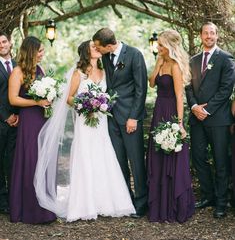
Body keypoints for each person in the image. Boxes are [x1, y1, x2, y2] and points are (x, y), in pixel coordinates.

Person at [34, 40, 135, 221]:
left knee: (103, 155)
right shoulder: (78, 74)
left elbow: (109, 95)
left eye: (97, 47)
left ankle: (106, 202)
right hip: (84, 120)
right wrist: (84, 104)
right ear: (86, 52)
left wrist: (103, 103)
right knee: (86, 156)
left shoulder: (105, 72)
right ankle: (85, 204)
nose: (97, 49)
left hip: (101, 121)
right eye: (93, 47)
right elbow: (69, 98)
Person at [93, 28, 148, 217]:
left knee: (136, 161)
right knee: (118, 161)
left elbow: (141, 89)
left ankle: (142, 203)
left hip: (130, 118)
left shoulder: (134, 55)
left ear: (109, 45)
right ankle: (127, 200)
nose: (97, 50)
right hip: (111, 117)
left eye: (99, 47)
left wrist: (134, 117)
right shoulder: (106, 57)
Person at [186, 22, 235, 219]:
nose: (209, 36)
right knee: (198, 157)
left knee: (221, 160)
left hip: (218, 119)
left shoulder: (226, 58)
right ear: (200, 36)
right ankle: (208, 195)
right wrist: (194, 107)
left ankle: (222, 202)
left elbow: (227, 88)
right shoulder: (193, 60)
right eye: (205, 33)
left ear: (217, 35)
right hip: (197, 118)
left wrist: (207, 109)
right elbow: (188, 87)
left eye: (212, 33)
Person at [147, 29, 194, 223]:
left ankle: (173, 206)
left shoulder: (175, 66)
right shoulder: (162, 62)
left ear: (169, 46)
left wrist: (179, 124)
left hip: (171, 112)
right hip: (159, 110)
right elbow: (151, 84)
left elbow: (179, 96)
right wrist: (157, 65)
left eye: (160, 45)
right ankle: (158, 206)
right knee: (158, 156)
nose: (158, 47)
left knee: (171, 156)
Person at [8, 36, 56, 224]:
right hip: (29, 121)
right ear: (31, 51)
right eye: (40, 51)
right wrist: (36, 101)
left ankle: (44, 208)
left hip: (43, 119)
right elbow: (13, 99)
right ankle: (29, 209)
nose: (42, 54)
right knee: (31, 160)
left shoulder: (40, 69)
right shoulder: (17, 72)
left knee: (44, 159)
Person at [0, 32, 18, 214]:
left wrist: (19, 115)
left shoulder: (18, 64)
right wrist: (6, 116)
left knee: (13, 161)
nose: (1, 45)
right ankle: (2, 201)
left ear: (10, 43)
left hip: (19, 122)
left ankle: (14, 198)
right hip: (1, 121)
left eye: (4, 41)